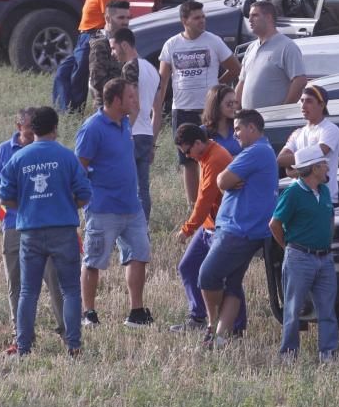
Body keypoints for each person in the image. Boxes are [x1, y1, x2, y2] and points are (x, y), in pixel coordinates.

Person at [0, 107, 91, 356]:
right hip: (63, 231)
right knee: (70, 289)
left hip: (30, 232)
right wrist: (65, 203)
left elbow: (4, 198)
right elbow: (84, 194)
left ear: (32, 129)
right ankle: (73, 345)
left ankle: (23, 346)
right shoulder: (67, 156)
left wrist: (28, 205)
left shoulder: (18, 158)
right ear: (55, 128)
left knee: (28, 292)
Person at [0, 108, 64, 355]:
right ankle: (21, 338)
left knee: (55, 280)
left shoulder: (49, 149)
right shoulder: (4, 151)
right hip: (14, 226)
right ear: (19, 128)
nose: (33, 136)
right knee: (16, 284)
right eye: (29, 131)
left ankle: (66, 333)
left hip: (47, 224)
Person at [76, 78, 154, 327]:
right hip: (103, 208)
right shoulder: (92, 128)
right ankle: (89, 313)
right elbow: (79, 169)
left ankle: (136, 312)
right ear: (117, 100)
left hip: (132, 207)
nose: (136, 102)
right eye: (131, 97)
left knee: (139, 255)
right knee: (93, 260)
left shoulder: (124, 124)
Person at [199, 109, 279, 345]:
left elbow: (222, 180)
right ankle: (221, 337)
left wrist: (228, 180)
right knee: (233, 284)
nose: (234, 134)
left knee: (207, 275)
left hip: (239, 229)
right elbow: (226, 181)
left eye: (238, 129)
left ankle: (212, 325)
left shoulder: (256, 152)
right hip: (245, 228)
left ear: (252, 128)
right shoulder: (262, 152)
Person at [153, 0, 240, 204]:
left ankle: (215, 200)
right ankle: (194, 205)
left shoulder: (214, 41)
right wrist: (156, 106)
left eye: (203, 17)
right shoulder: (172, 45)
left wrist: (217, 86)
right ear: (185, 20)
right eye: (197, 18)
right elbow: (162, 80)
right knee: (188, 161)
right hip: (182, 109)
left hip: (208, 109)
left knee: (212, 156)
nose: (202, 21)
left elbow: (236, 68)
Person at [171, 123, 246, 334]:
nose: (187, 156)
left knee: (230, 280)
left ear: (198, 143)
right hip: (209, 227)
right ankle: (198, 317)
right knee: (187, 267)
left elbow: (203, 201)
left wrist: (186, 229)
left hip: (223, 227)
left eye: (188, 151)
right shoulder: (205, 155)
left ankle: (236, 328)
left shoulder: (215, 159)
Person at [270, 145, 337, 361]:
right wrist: (288, 247)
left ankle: (327, 353)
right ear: (314, 168)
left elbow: (330, 219)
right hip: (300, 257)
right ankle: (289, 354)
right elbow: (275, 224)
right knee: (294, 308)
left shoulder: (324, 191)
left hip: (325, 258)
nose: (327, 166)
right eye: (323, 164)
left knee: (327, 309)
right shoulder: (293, 193)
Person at [54, 0, 115, 112]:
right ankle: (64, 109)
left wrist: (108, 42)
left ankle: (74, 111)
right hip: (83, 37)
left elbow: (109, 18)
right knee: (63, 71)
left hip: (93, 36)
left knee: (78, 75)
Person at [113, 27, 161, 222]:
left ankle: (126, 229)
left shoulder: (130, 67)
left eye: (114, 48)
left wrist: (123, 133)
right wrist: (152, 144)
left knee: (123, 185)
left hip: (133, 134)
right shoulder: (152, 69)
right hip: (147, 135)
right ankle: (142, 230)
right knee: (143, 188)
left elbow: (133, 103)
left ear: (124, 45)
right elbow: (157, 112)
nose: (113, 53)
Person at [236, 0, 307, 110]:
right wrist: (236, 110)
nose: (249, 20)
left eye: (255, 15)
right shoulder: (251, 48)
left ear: (268, 17)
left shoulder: (287, 46)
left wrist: (284, 110)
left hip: (272, 121)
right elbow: (242, 82)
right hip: (248, 120)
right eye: (249, 16)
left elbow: (300, 80)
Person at [277, 84, 339, 203]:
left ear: (322, 105)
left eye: (309, 101)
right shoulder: (298, 133)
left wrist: (294, 169)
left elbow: (322, 152)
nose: (303, 105)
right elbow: (280, 159)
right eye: (301, 101)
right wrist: (309, 167)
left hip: (323, 197)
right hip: (300, 198)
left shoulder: (330, 129)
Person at [88, 0, 132, 109]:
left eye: (128, 18)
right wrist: (125, 90)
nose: (125, 22)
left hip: (121, 105)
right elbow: (97, 81)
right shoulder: (100, 45)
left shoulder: (123, 40)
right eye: (121, 18)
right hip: (106, 107)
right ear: (107, 18)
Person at [201, 84, 241, 158]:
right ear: (216, 105)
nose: (234, 107)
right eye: (229, 104)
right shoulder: (202, 132)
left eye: (235, 103)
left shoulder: (240, 127)